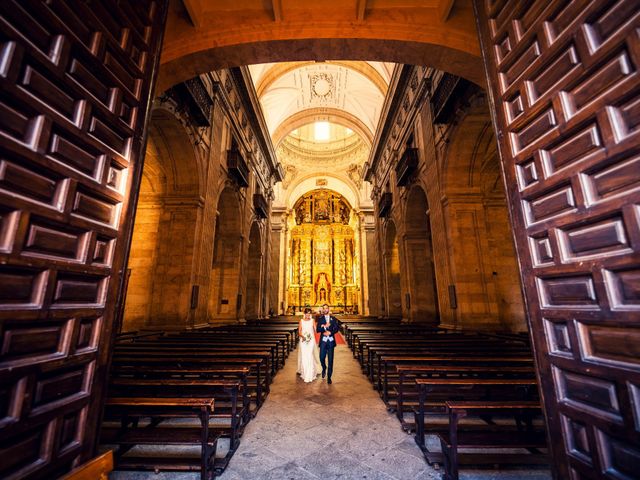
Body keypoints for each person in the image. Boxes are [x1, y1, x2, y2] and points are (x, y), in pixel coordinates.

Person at [316, 303, 340, 384]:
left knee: (330, 359)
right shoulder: (320, 318)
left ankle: (329, 377)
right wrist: (324, 327)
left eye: (326, 308)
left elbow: (336, 329)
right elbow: (318, 329)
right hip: (323, 341)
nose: (325, 309)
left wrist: (330, 332)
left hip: (331, 341)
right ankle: (324, 367)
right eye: (324, 308)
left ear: (328, 309)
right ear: (322, 310)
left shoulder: (333, 319)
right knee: (321, 357)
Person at [297, 307, 319, 383]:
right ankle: (305, 373)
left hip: (311, 340)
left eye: (309, 314)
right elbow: (299, 332)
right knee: (304, 356)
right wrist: (303, 337)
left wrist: (322, 327)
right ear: (304, 314)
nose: (308, 315)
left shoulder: (312, 321)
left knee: (309, 355)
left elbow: (316, 330)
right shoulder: (301, 321)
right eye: (307, 314)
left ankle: (309, 374)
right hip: (303, 341)